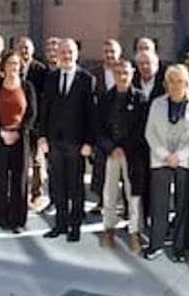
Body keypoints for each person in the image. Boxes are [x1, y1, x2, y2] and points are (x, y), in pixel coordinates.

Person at [144, 65, 189, 262]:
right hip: (160, 159)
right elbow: (149, 133)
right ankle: (156, 244)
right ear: (166, 84)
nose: (176, 85)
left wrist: (179, 156)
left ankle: (179, 248)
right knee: (159, 205)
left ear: (188, 83)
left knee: (183, 205)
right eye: (172, 80)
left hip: (186, 161)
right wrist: (164, 155)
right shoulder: (157, 104)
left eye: (180, 80)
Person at [40, 38, 96, 242]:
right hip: (55, 141)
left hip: (77, 142)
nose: (66, 56)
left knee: (76, 186)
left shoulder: (86, 79)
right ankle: (60, 224)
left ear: (76, 54)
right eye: (63, 52)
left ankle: (75, 227)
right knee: (58, 184)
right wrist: (43, 137)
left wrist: (89, 142)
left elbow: (92, 114)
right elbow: (45, 109)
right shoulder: (52, 78)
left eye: (70, 52)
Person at [98, 60, 149, 255]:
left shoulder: (140, 98)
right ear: (113, 73)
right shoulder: (105, 98)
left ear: (132, 73)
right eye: (118, 72)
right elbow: (98, 127)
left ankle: (135, 232)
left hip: (133, 153)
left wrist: (125, 148)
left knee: (133, 194)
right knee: (109, 193)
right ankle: (109, 229)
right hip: (111, 153)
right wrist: (111, 147)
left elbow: (142, 128)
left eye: (125, 72)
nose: (122, 76)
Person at [0, 50, 38, 233]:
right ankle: (1, 217)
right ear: (3, 66)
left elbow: (31, 114)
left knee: (19, 179)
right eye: (10, 63)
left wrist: (19, 132)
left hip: (20, 137)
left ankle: (17, 220)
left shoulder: (27, 86)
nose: (13, 67)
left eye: (16, 64)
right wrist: (1, 131)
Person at [89, 38, 123, 214]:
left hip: (122, 127)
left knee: (125, 168)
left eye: (113, 51)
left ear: (119, 53)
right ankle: (102, 202)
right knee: (101, 167)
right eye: (106, 52)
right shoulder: (94, 74)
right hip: (101, 127)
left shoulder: (125, 71)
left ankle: (124, 205)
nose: (109, 55)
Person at [17, 37, 48, 207]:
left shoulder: (40, 69)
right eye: (21, 48)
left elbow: (43, 98)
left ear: (33, 50)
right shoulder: (13, 68)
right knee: (19, 159)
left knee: (36, 160)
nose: (24, 51)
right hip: (17, 122)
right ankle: (19, 193)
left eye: (27, 48)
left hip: (34, 122)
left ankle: (36, 193)